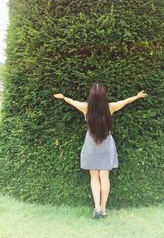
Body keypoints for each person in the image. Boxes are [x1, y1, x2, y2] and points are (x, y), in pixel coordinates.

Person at [53, 83, 148, 218]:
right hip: (106, 146)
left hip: (91, 146)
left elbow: (73, 102)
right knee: (104, 177)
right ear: (104, 96)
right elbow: (125, 102)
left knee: (94, 178)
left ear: (91, 96)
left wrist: (63, 97)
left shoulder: (86, 108)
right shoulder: (110, 108)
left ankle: (97, 208)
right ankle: (103, 209)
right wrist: (137, 96)